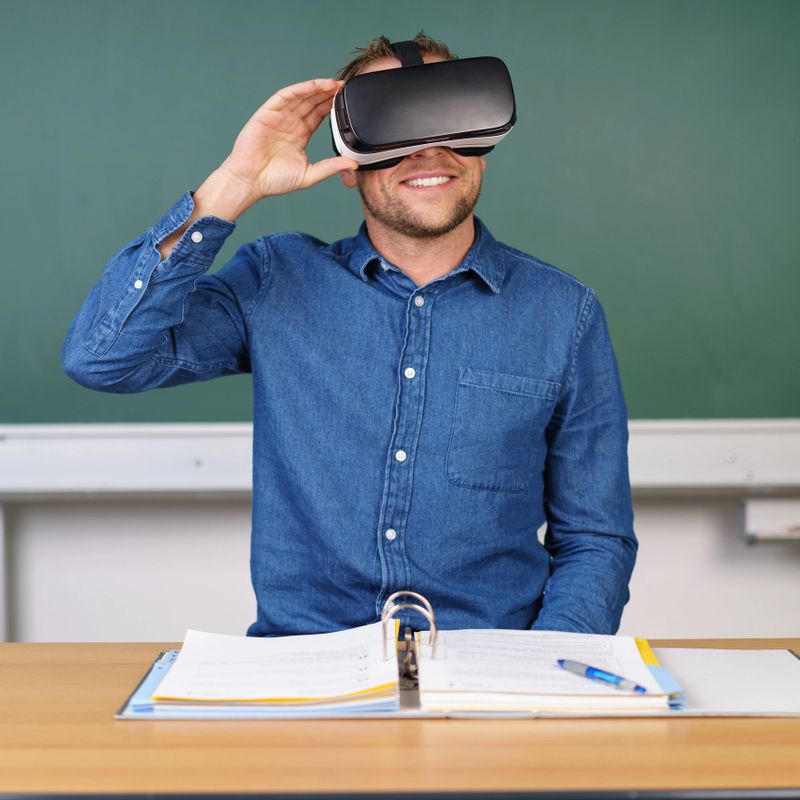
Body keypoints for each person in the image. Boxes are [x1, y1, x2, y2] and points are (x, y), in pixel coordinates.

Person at [62, 33, 637, 637]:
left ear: (484, 144)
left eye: (452, 119)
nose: (429, 150)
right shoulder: (274, 280)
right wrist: (235, 183)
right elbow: (102, 359)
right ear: (348, 162)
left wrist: (541, 673)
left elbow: (596, 538)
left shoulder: (563, 313)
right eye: (394, 125)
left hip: (487, 667)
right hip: (303, 666)